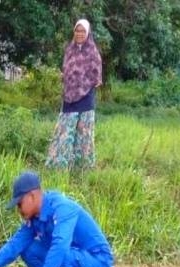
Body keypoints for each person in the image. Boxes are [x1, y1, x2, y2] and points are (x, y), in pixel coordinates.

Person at [46, 19, 102, 170]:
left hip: (86, 98)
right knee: (64, 132)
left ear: (88, 33)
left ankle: (82, 168)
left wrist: (84, 84)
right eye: (77, 30)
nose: (79, 34)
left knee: (84, 135)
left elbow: (96, 76)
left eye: (83, 31)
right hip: (69, 98)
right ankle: (58, 166)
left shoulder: (92, 51)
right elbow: (66, 71)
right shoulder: (69, 50)